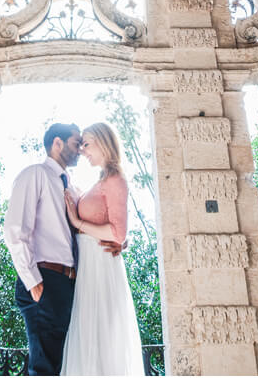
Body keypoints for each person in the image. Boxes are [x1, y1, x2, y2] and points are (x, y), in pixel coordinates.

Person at [60, 122, 144, 376]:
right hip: (90, 267)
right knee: (89, 338)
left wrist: (78, 223)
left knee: (103, 338)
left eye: (87, 144)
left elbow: (119, 233)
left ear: (103, 142)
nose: (82, 150)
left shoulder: (116, 180)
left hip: (101, 268)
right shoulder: (102, 181)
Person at [3, 123, 83, 376]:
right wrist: (32, 281)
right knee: (44, 368)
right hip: (44, 280)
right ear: (57, 143)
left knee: (61, 365)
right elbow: (16, 229)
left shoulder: (70, 185)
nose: (80, 149)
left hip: (67, 284)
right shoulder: (34, 174)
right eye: (75, 143)